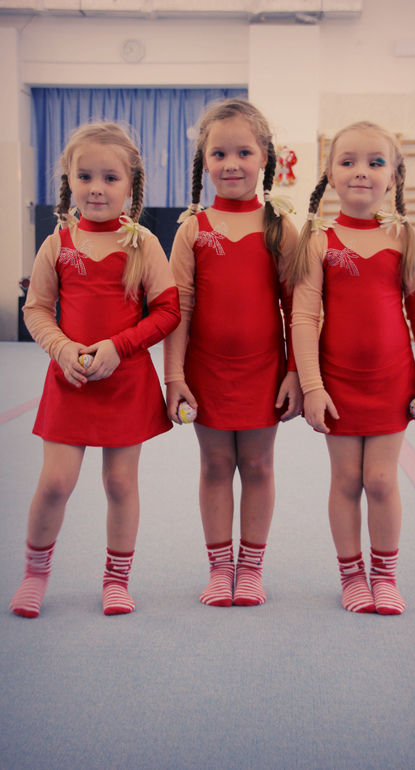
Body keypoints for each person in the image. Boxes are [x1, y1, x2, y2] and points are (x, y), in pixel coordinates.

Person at [10, 122, 181, 618]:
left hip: (124, 382)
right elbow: (37, 310)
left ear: (131, 185)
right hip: (71, 382)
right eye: (85, 177)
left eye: (110, 178)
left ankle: (116, 580)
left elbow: (168, 311)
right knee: (55, 483)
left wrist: (118, 347)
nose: (97, 188)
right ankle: (35, 575)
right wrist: (62, 349)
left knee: (121, 484)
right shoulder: (58, 243)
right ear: (69, 180)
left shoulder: (143, 243)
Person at [287, 121, 415, 615]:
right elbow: (304, 316)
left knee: (380, 480)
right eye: (348, 161)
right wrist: (312, 386)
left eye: (376, 163)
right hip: (337, 383)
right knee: (346, 481)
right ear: (330, 174)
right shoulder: (319, 238)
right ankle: (352, 575)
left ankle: (386, 576)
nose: (361, 171)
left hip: (393, 383)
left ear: (393, 176)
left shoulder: (404, 237)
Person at [164, 98, 302, 607]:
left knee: (259, 466)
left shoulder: (279, 227)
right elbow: (179, 308)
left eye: (244, 152)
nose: (231, 164)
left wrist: (296, 373)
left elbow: (298, 309)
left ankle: (252, 568)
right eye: (219, 154)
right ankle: (220, 568)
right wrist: (173, 377)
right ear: (205, 161)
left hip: (265, 370)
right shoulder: (193, 229)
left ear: (264, 155)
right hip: (206, 371)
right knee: (216, 466)